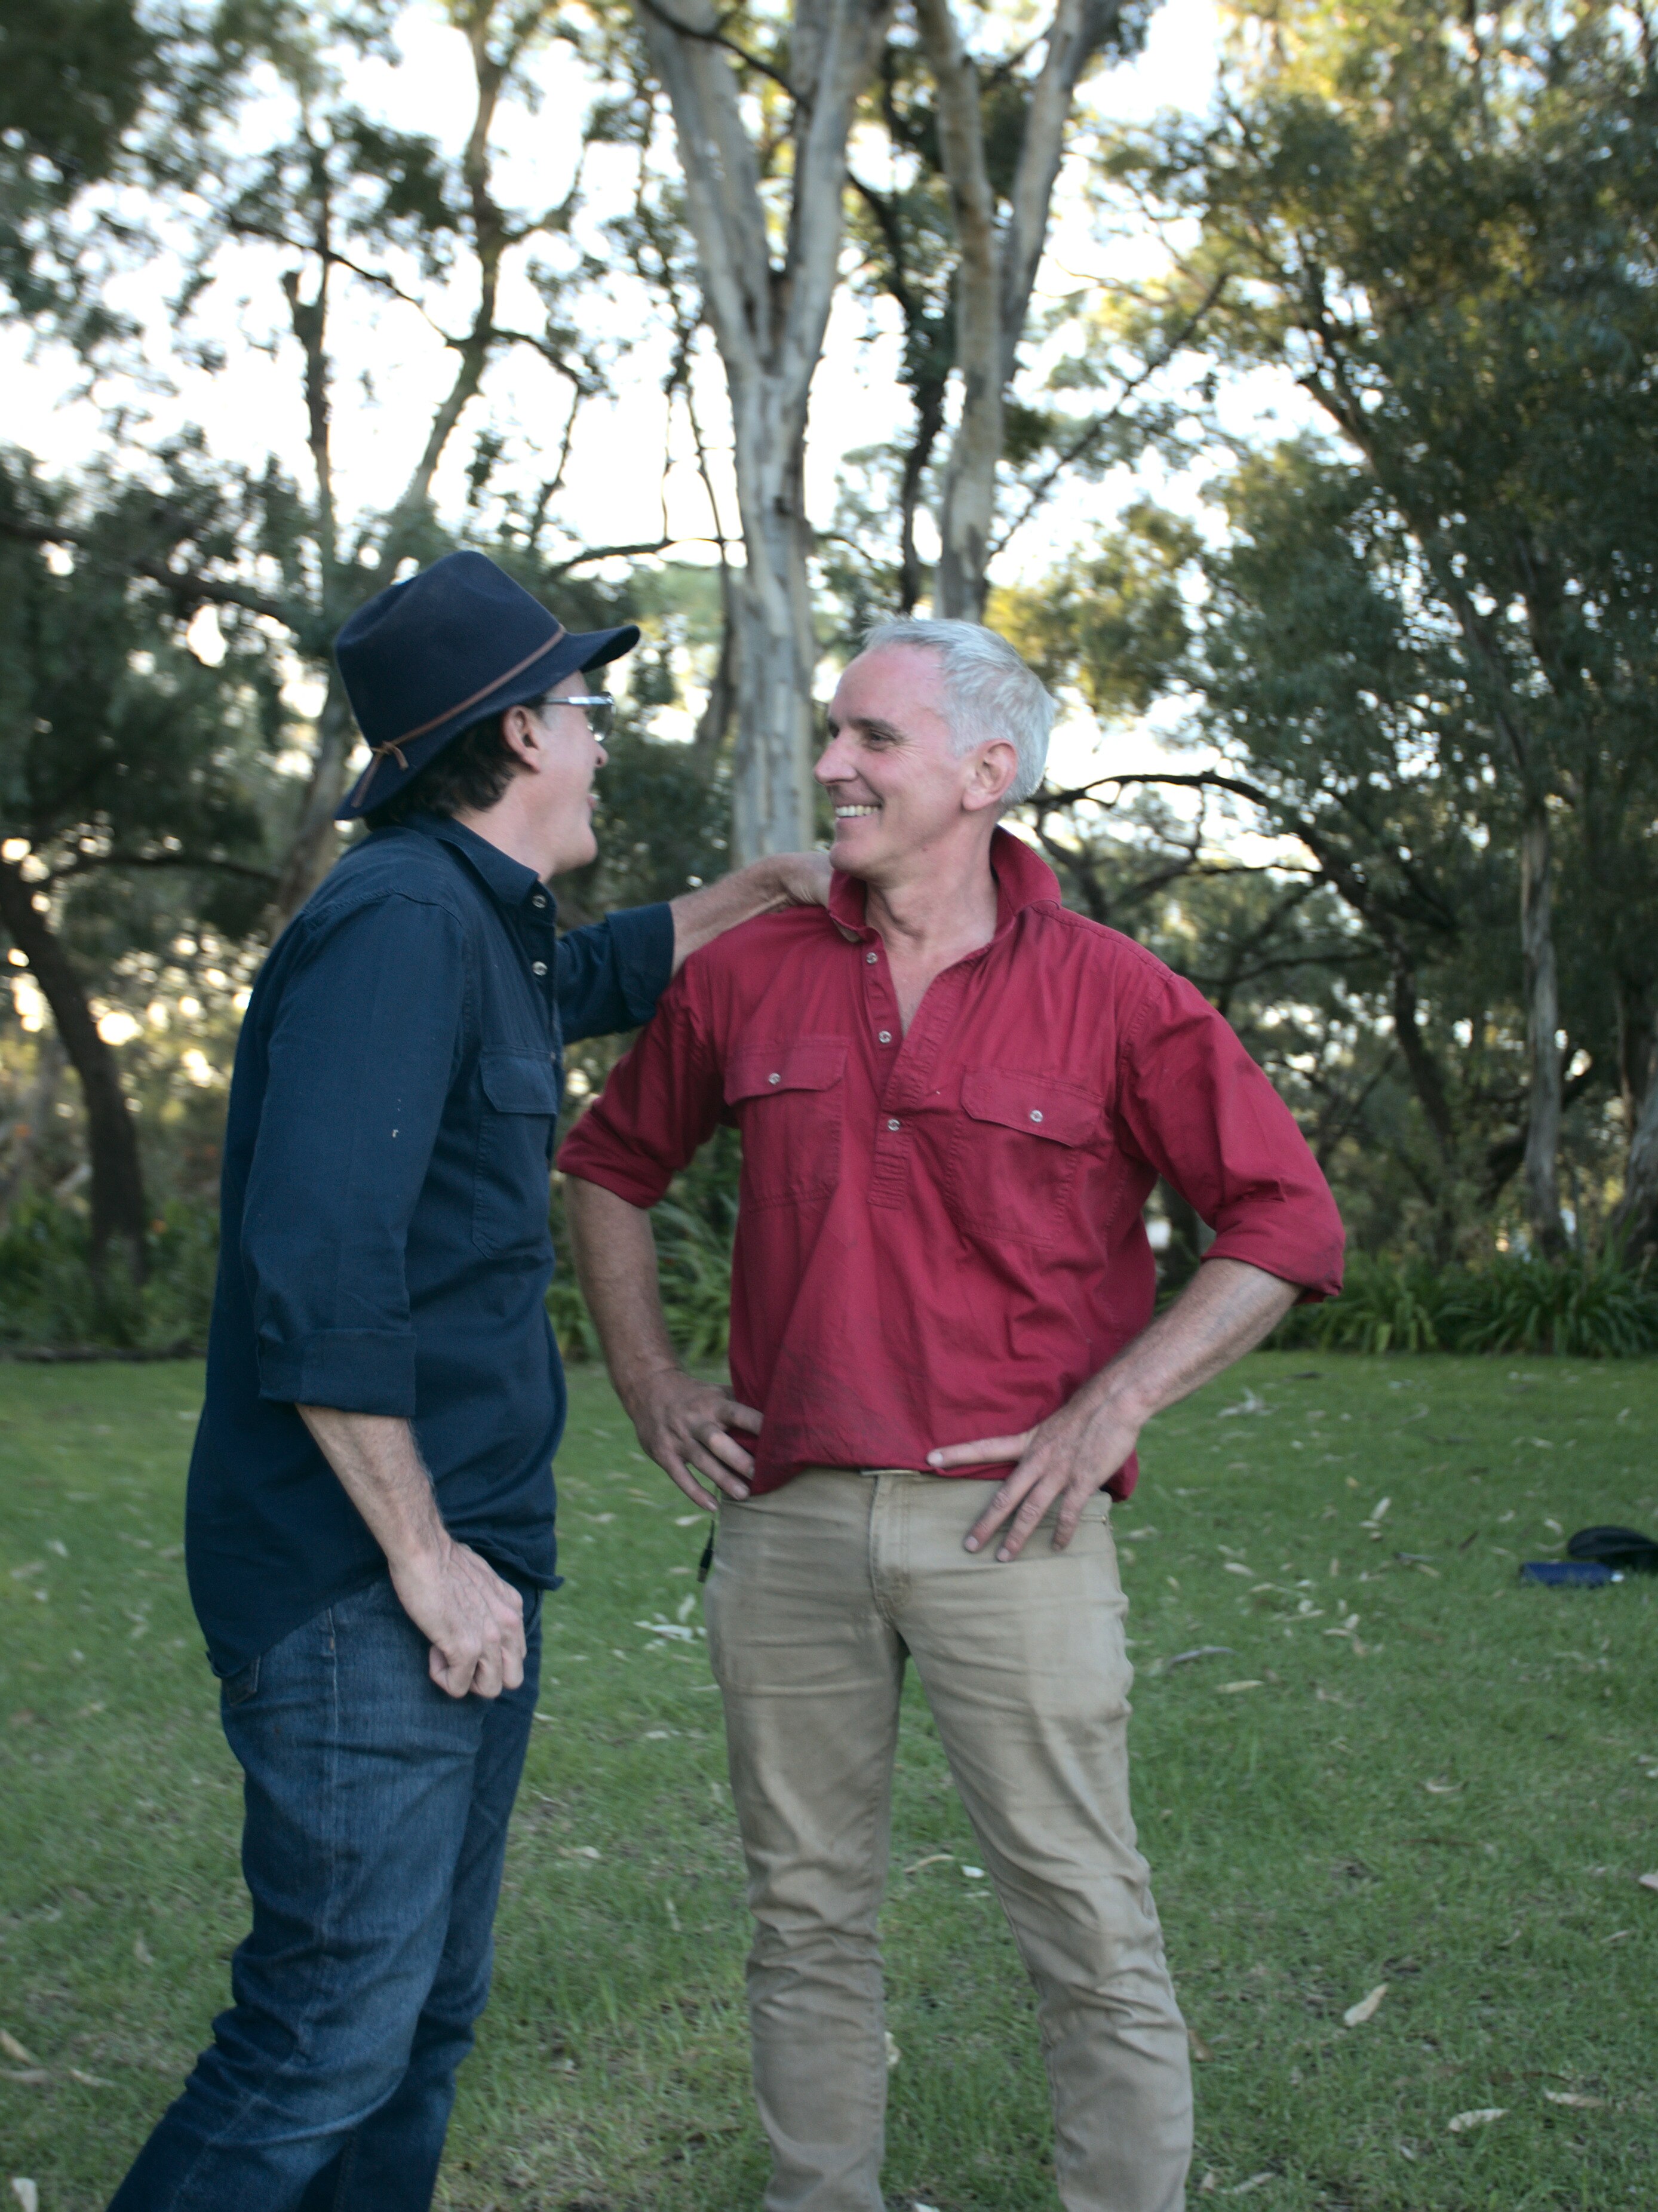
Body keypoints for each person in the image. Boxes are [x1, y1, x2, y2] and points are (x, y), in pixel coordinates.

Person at [559, 617, 1346, 2212]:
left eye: (872, 740)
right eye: (834, 735)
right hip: (783, 1521)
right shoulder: (750, 975)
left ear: (988, 774)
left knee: (1084, 1916)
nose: (833, 766)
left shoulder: (1122, 997)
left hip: (1015, 1527)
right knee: (805, 1914)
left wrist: (1113, 1404)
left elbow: (1284, 1225)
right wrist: (650, 1382)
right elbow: (606, 1164)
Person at [109, 549, 829, 2211]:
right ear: (516, 737)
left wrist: (756, 893)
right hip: (365, 1583)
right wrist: (426, 1563)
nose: (602, 740)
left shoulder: (476, 928)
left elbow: (582, 982)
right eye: (585, 710)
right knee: (324, 2037)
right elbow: (315, 1269)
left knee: (422, 2017)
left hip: (464, 1560)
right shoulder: (395, 928)